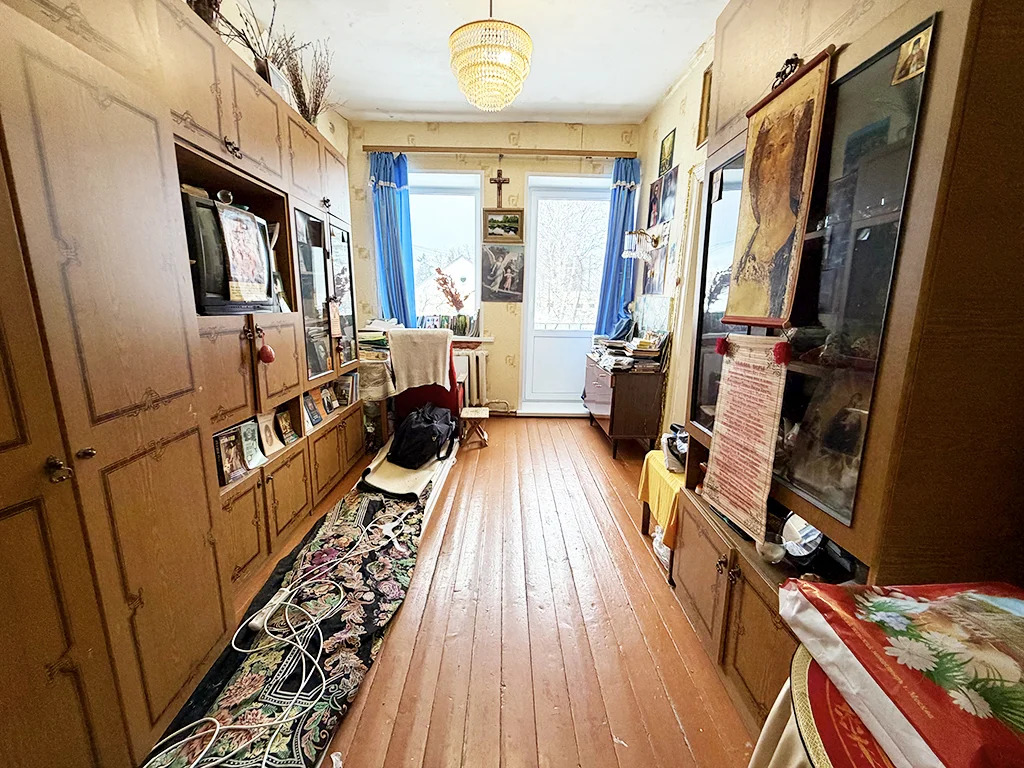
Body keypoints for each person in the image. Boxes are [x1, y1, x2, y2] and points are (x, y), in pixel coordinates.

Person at [733, 100, 813, 317]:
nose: (775, 162)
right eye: (768, 154)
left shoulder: (799, 233)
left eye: (784, 146)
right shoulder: (751, 239)